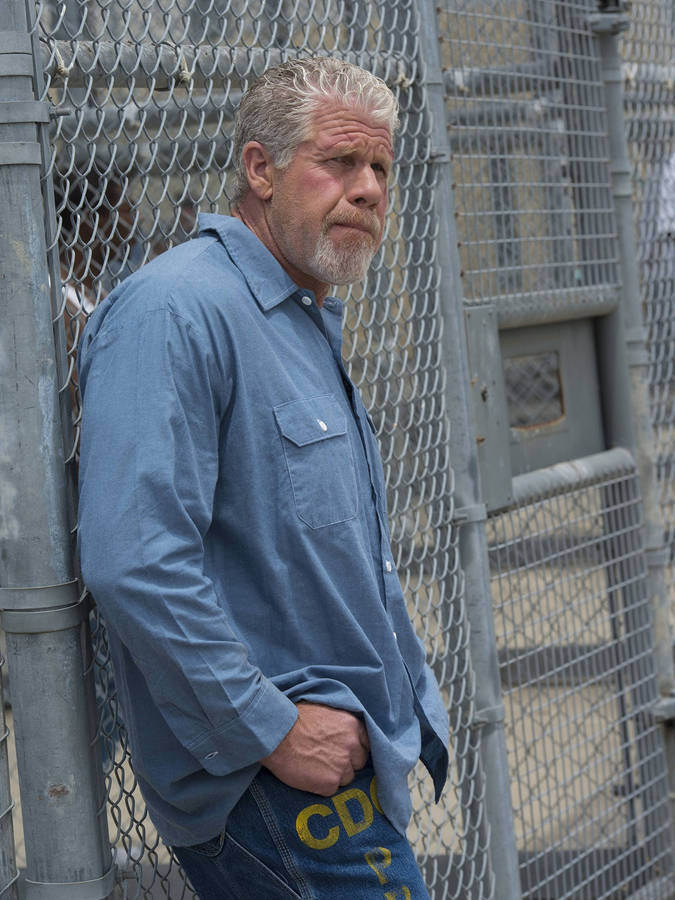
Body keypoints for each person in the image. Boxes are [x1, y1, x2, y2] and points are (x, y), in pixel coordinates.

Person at [76, 57, 449, 899]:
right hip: (273, 783)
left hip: (340, 759)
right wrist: (271, 729)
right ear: (259, 169)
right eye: (338, 163)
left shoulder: (299, 311)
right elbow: (132, 558)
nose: (365, 190)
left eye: (380, 169)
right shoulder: (176, 310)